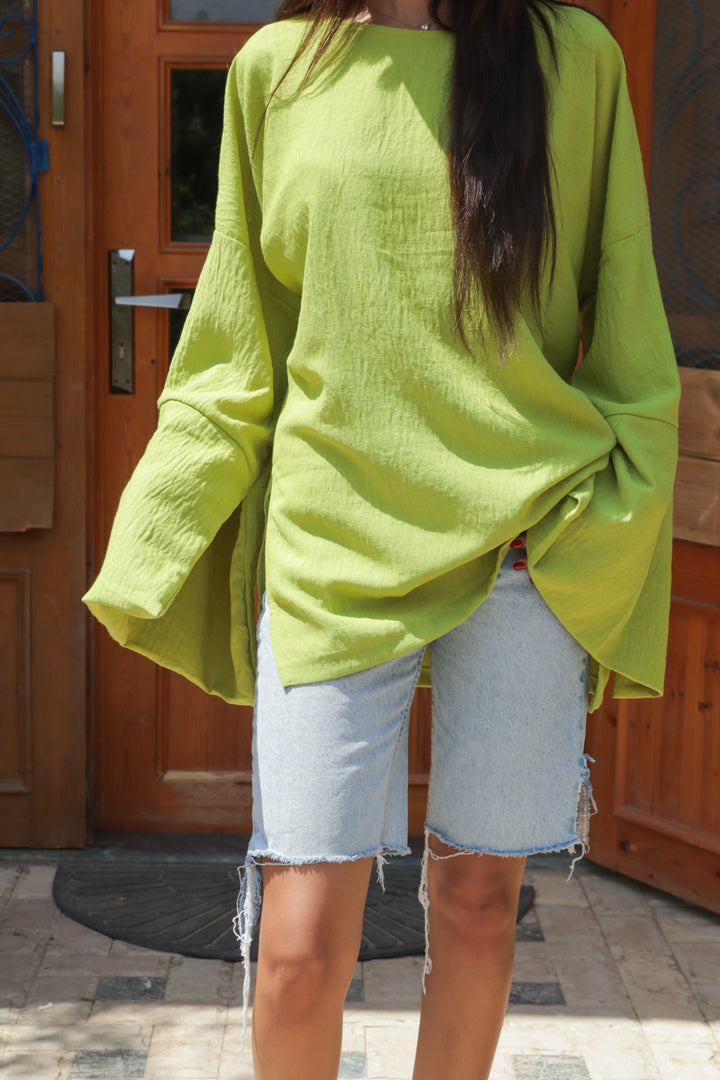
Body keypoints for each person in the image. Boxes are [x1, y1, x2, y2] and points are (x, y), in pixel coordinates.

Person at [84, 1, 681, 1076]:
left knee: (478, 903)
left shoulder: (574, 59)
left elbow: (630, 327)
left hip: (521, 549)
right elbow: (234, 346)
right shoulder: (275, 68)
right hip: (329, 553)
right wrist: (154, 532)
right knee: (302, 944)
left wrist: (609, 513)